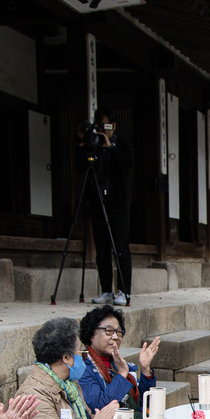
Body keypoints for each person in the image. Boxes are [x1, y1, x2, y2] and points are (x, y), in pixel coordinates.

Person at [17, 318, 118, 419]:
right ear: (66, 357)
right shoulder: (35, 392)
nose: (83, 356)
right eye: (80, 351)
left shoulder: (69, 384)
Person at [76, 305, 161, 419]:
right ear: (91, 334)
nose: (115, 337)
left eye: (119, 332)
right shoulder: (84, 367)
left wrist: (146, 370)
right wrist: (121, 375)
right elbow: (99, 406)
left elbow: (145, 407)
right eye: (108, 331)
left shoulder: (119, 364)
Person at [84, 111, 135, 306]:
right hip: (99, 201)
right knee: (102, 248)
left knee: (120, 247)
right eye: (99, 125)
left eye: (106, 125)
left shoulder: (122, 145)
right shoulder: (94, 144)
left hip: (118, 203)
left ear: (113, 126)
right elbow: (84, 167)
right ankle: (106, 289)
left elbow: (127, 163)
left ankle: (123, 291)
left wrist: (110, 147)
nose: (102, 129)